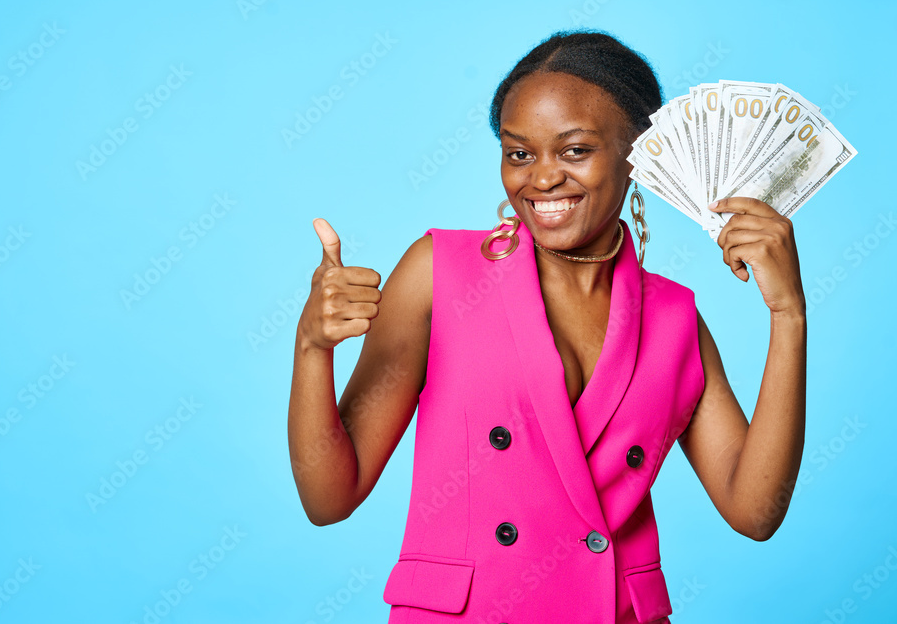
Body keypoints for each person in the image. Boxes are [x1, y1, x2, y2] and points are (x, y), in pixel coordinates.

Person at [287, 30, 807, 623]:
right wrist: (311, 349)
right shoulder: (439, 274)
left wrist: (788, 314)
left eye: (575, 150)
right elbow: (330, 497)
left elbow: (755, 511)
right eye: (519, 153)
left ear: (642, 153)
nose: (541, 179)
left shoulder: (674, 318)